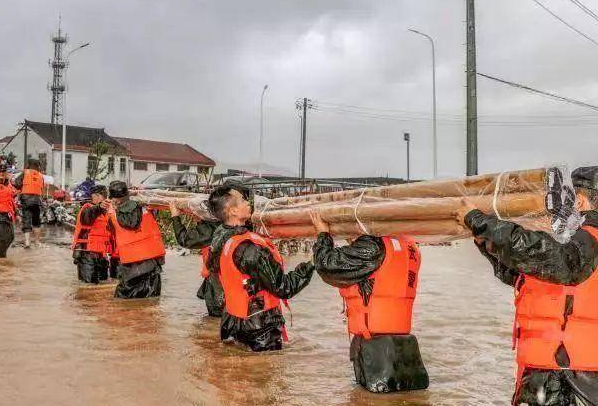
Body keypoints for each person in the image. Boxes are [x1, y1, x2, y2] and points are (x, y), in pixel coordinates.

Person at [455, 166, 598, 406]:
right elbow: (526, 274)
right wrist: (486, 243)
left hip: (565, 379)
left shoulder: (587, 240)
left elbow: (546, 255)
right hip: (561, 373)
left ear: (580, 201)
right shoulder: (575, 245)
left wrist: (480, 222)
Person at [309, 211, 429, 393]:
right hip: (404, 348)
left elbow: (326, 265)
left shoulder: (372, 246)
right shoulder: (409, 246)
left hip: (372, 345)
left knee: (370, 397)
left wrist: (323, 235)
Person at [209, 184, 315, 352]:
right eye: (243, 200)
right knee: (263, 375)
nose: (248, 202)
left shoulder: (220, 236)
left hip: (232, 319)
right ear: (233, 211)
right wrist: (312, 263)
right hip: (260, 328)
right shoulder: (251, 250)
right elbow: (283, 287)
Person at [104, 181, 166, 298]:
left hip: (133, 265)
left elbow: (127, 225)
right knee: (150, 304)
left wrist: (113, 210)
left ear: (115, 199)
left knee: (123, 304)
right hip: (152, 263)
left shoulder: (116, 212)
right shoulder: (144, 207)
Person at [169, 200, 222, 316]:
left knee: (216, 316)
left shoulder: (212, 228)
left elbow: (185, 240)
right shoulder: (225, 221)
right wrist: (200, 221)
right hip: (222, 276)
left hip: (219, 281)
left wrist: (175, 216)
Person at [71, 185, 113, 284]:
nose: (96, 197)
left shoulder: (107, 211)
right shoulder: (87, 209)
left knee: (103, 284)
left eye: (100, 195)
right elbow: (88, 217)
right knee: (88, 285)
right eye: (95, 195)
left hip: (102, 254)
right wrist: (99, 207)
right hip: (87, 253)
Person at [13, 158, 45, 249]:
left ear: (29, 164)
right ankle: (37, 242)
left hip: (26, 199)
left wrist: (20, 188)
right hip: (37, 200)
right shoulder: (40, 175)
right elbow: (41, 187)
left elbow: (17, 183)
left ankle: (27, 242)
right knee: (36, 221)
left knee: (26, 219)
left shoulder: (25, 172)